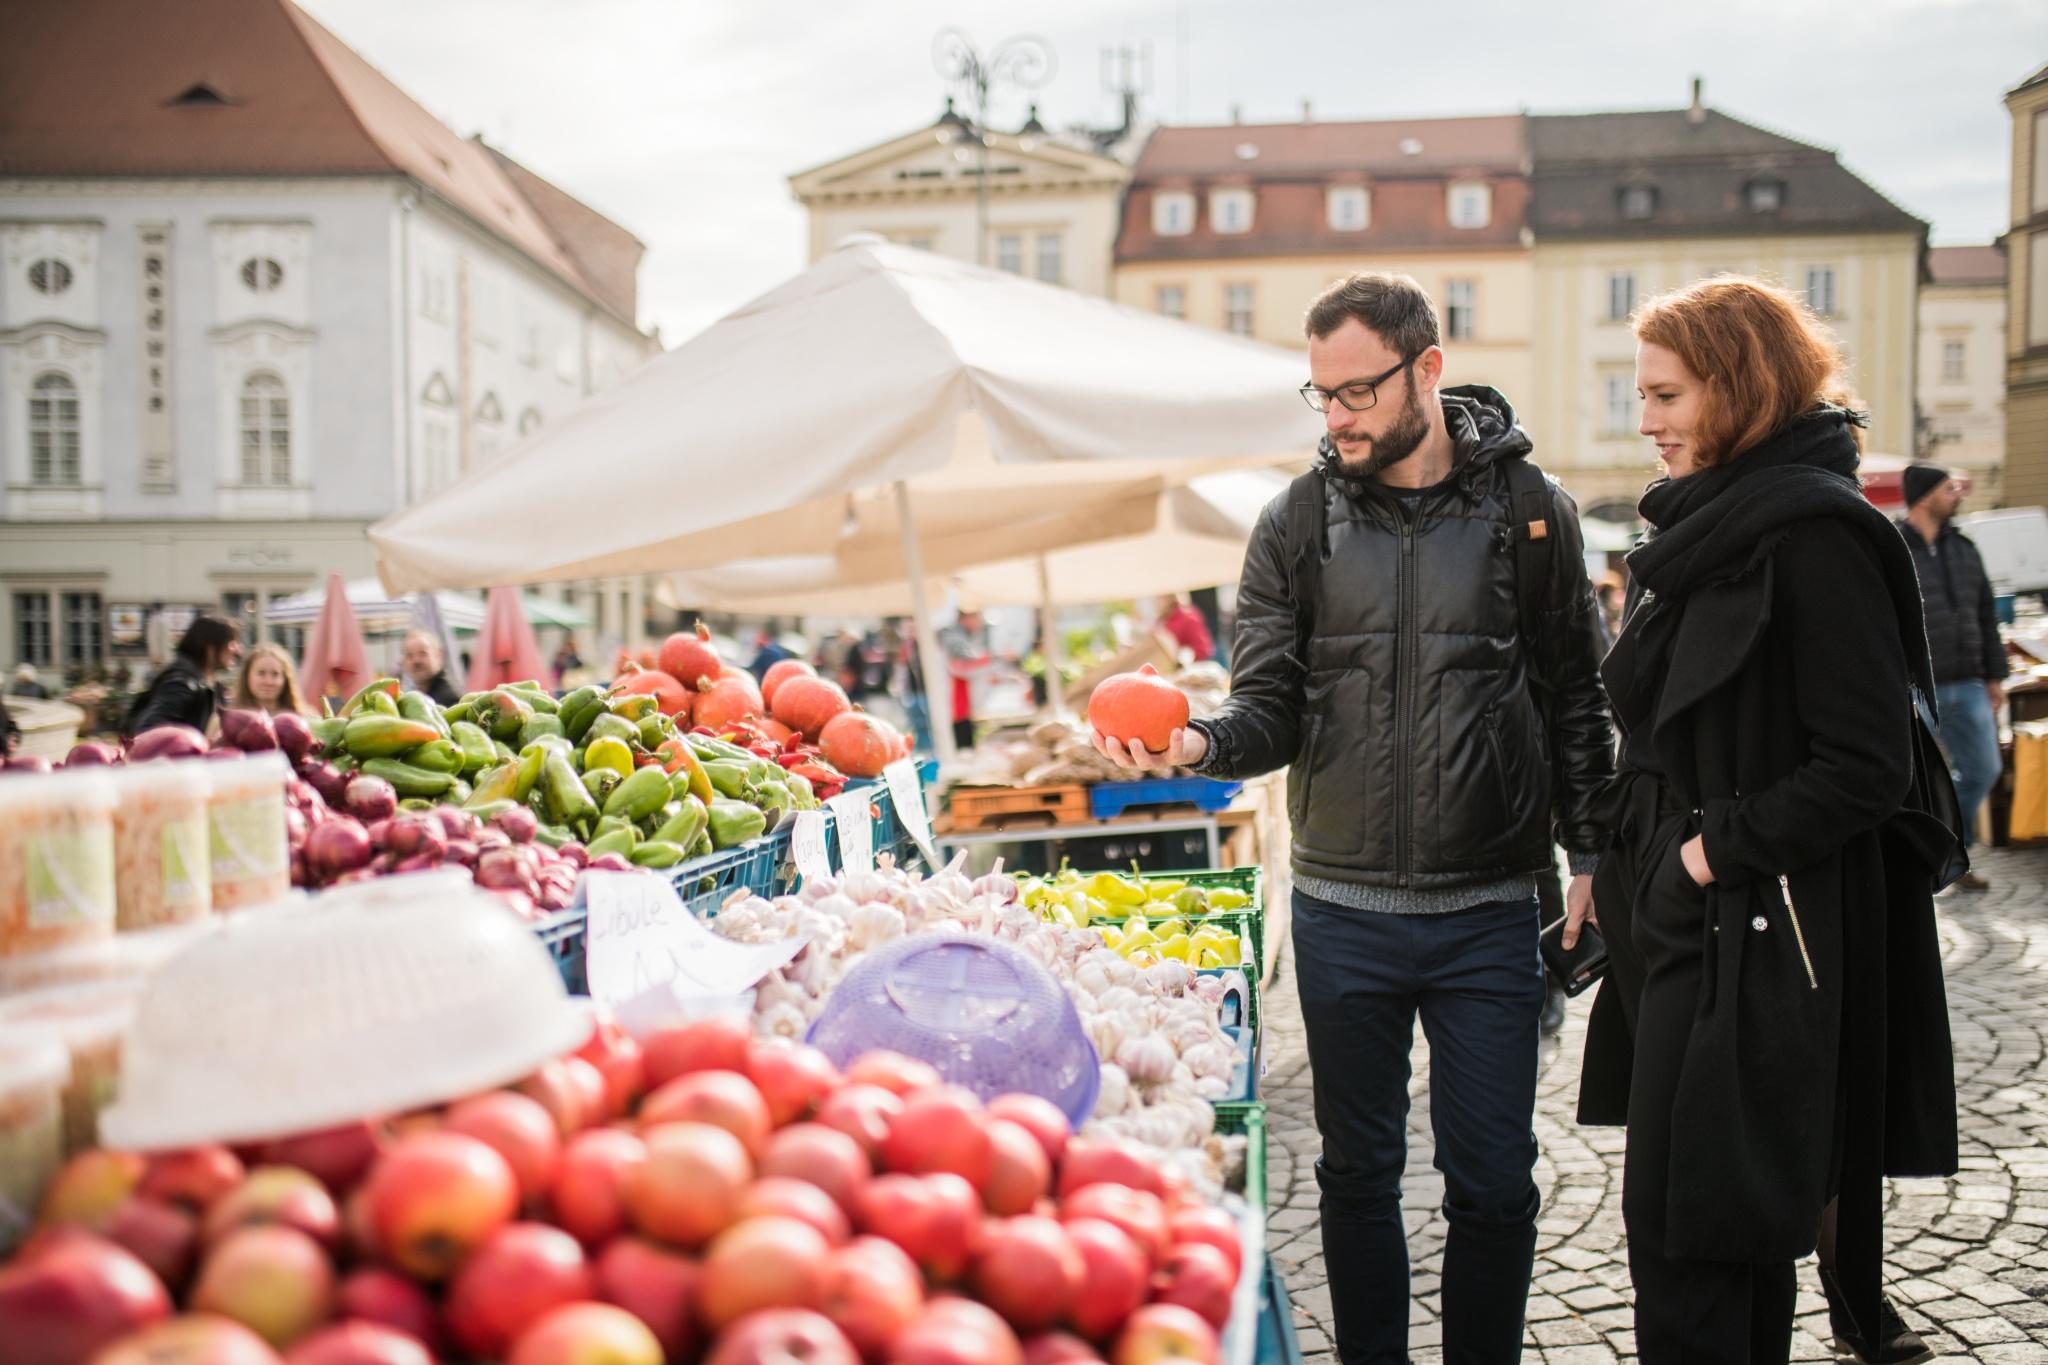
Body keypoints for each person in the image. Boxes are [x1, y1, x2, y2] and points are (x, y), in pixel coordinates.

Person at [1097, 272, 1615, 1362]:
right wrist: (1194, 742)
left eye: (1356, 393)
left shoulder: (1532, 514)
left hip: (1489, 909)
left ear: (1425, 369)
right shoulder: (1292, 523)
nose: (1334, 418)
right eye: (1319, 395)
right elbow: (1266, 707)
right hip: (1341, 913)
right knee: (1355, 1171)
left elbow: (1577, 695)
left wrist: (1591, 855)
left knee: (1491, 1181)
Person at [1573, 277, 1958, 1364]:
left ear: (1736, 388)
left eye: (1663, 396)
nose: (1642, 422)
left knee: (1703, 1237)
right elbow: (1659, 732)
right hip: (1683, 924)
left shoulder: (1817, 534)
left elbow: (1865, 765)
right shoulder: (1702, 525)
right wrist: (1618, 859)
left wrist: (1705, 854)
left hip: (1761, 928)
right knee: (1698, 1233)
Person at [1898, 463, 2005, 890]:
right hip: (1916, 688)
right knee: (1910, 785)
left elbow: (1986, 613)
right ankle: (1920, 862)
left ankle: (1953, 849)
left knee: (1982, 769)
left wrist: (1995, 674)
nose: (1957, 494)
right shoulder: (1894, 545)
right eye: (1949, 488)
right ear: (1925, 495)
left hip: (1968, 682)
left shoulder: (1965, 548)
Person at [127, 614, 240, 736]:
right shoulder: (181, 683)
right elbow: (148, 732)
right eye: (231, 642)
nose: (237, 650)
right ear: (210, 648)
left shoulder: (207, 684)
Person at [939, 608, 992, 753]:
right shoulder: (954, 637)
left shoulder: (960, 636)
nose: (979, 623)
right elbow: (961, 664)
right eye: (977, 618)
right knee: (962, 743)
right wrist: (990, 659)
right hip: (956, 696)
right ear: (966, 618)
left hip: (961, 697)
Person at [231, 643, 315, 717]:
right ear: (247, 676)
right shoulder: (231, 719)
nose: (268, 682)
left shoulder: (306, 718)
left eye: (275, 674)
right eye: (261, 673)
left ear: (286, 679)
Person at [400, 630, 461, 707]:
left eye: (423, 653)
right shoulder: (417, 695)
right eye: (409, 655)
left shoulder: (450, 699)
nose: (416, 660)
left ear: (439, 655)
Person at [1155, 593, 1216, 662]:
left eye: (1159, 597)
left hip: (1190, 666)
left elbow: (1203, 649)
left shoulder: (1187, 616)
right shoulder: (1161, 620)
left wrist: (1186, 654)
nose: (1156, 600)